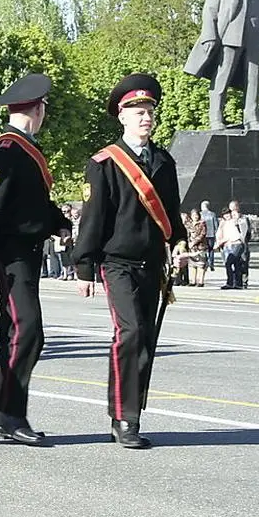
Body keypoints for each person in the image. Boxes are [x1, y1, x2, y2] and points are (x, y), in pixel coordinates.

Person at [72, 73, 187, 449]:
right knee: (130, 333)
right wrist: (84, 266)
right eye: (137, 110)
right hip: (117, 261)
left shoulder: (164, 162)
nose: (145, 116)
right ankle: (122, 417)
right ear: (121, 116)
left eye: (149, 109)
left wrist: (180, 242)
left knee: (146, 340)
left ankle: (133, 413)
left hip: (151, 261)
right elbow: (93, 219)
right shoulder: (105, 163)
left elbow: (171, 212)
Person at [0, 73, 72, 446]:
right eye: (44, 108)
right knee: (27, 329)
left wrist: (59, 223)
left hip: (27, 252)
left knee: (17, 333)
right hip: (9, 253)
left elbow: (34, 204)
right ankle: (9, 414)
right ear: (37, 109)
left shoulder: (24, 149)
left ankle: (5, 415)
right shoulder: (6, 151)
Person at [182, 0, 259, 130]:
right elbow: (210, 9)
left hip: (254, 35)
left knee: (253, 78)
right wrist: (209, 34)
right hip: (231, 33)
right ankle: (215, 118)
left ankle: (252, 118)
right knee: (223, 75)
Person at [187, 208, 207, 287]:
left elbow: (203, 234)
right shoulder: (189, 224)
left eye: (196, 215)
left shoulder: (202, 223)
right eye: (193, 215)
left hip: (200, 246)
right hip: (191, 247)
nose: (195, 217)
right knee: (192, 264)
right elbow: (187, 234)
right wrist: (188, 242)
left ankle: (200, 281)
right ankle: (192, 281)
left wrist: (194, 242)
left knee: (200, 264)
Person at [200, 201, 217, 273]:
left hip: (203, 235)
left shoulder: (200, 214)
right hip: (211, 234)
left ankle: (205, 261)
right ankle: (211, 264)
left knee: (203, 249)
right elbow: (215, 224)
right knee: (211, 249)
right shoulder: (212, 214)